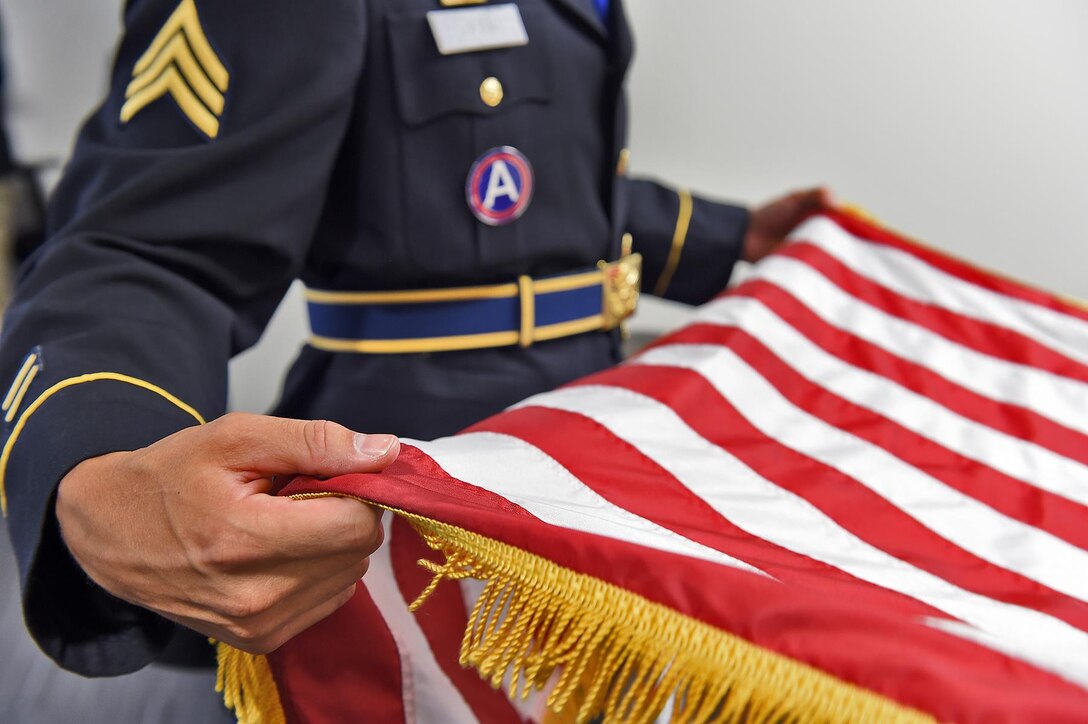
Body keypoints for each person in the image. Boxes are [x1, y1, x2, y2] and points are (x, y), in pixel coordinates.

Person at [0, 0, 828, 677]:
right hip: (411, 495)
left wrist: (730, 236)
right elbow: (148, 247)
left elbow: (549, 183)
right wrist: (102, 465)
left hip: (581, 448)